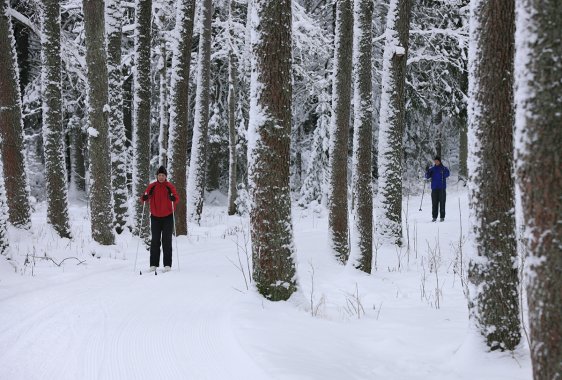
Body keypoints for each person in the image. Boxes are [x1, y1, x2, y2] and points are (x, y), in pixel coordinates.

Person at [139, 166, 180, 272]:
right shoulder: (152, 186)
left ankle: (167, 265)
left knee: (167, 240)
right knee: (155, 241)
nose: (161, 177)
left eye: (163, 175)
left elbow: (176, 198)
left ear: (165, 176)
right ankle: (153, 264)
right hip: (155, 217)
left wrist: (173, 198)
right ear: (156, 176)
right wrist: (144, 198)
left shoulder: (169, 186)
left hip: (168, 217)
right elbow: (144, 197)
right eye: (159, 175)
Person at [425, 156, 450, 222]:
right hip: (434, 189)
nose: (436, 162)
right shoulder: (432, 169)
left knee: (442, 203)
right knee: (434, 203)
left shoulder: (444, 168)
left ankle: (442, 217)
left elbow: (447, 174)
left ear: (439, 161)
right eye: (435, 161)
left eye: (437, 161)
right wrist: (427, 171)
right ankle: (434, 217)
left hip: (442, 188)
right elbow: (427, 176)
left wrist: (443, 173)